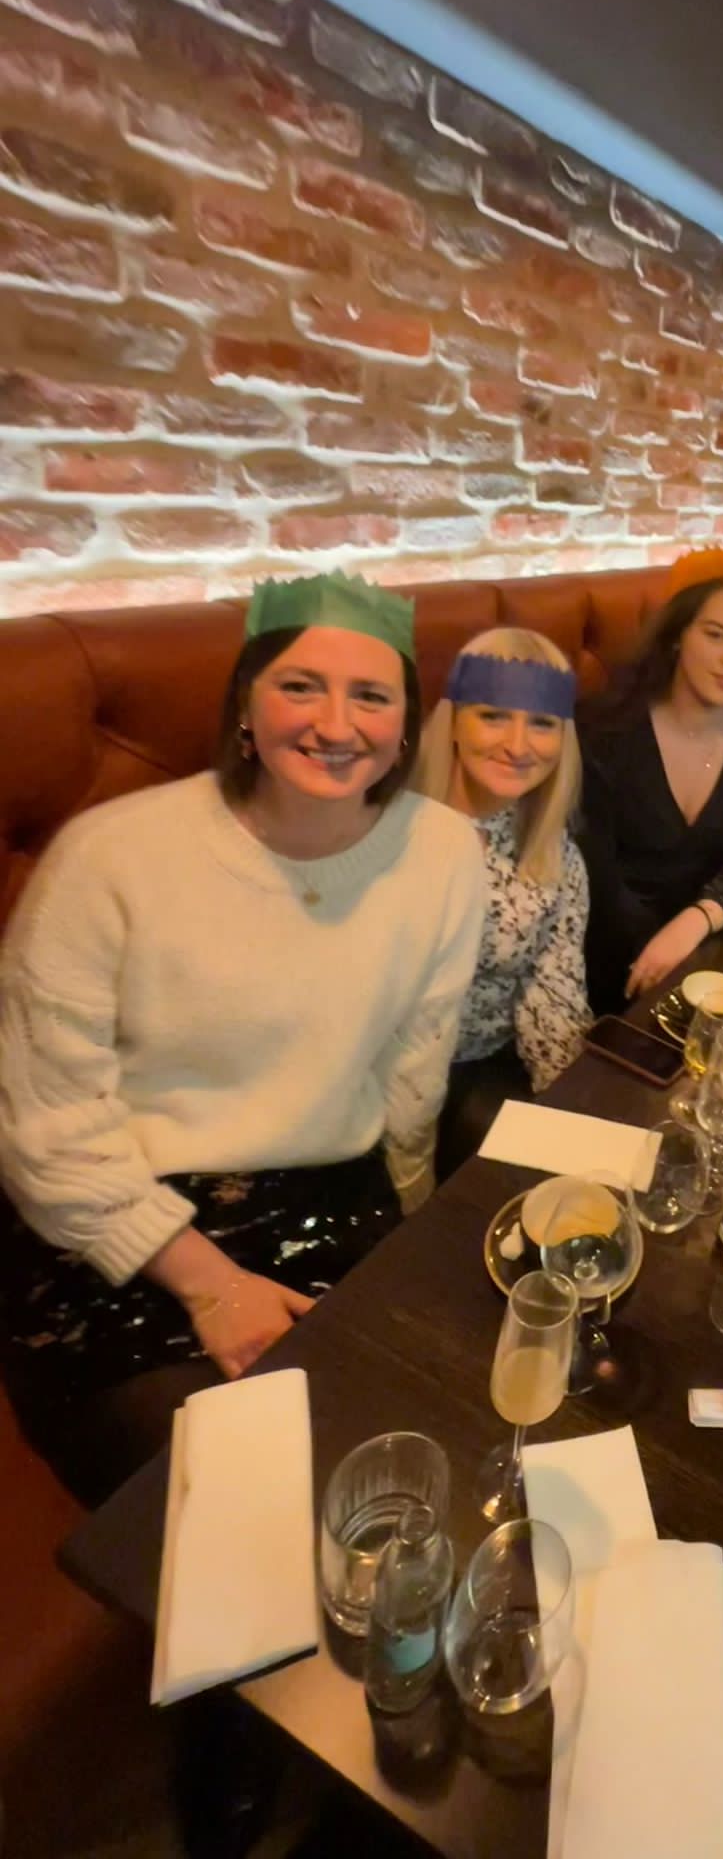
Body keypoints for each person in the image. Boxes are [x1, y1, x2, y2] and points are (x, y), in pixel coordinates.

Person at [0, 573, 486, 1505]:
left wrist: (411, 1239)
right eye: (300, 686)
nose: (336, 724)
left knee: (430, 1450)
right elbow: (47, 1133)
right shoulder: (109, 857)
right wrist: (210, 1285)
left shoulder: (445, 852)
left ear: (405, 726)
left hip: (335, 1195)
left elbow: (414, 1071)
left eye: (371, 695)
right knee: (237, 1504)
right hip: (121, 1223)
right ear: (246, 709)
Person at [578, 548, 723, 1011]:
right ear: (678, 633)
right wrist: (662, 957)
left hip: (701, 951)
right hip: (598, 953)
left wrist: (696, 922)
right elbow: (592, 872)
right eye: (716, 635)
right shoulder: (604, 729)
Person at [415, 627, 592, 1174]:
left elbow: (554, 998)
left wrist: (577, 1118)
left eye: (542, 723)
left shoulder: (555, 853)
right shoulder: (388, 833)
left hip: (485, 1068)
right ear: (454, 722)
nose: (518, 746)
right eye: (493, 715)